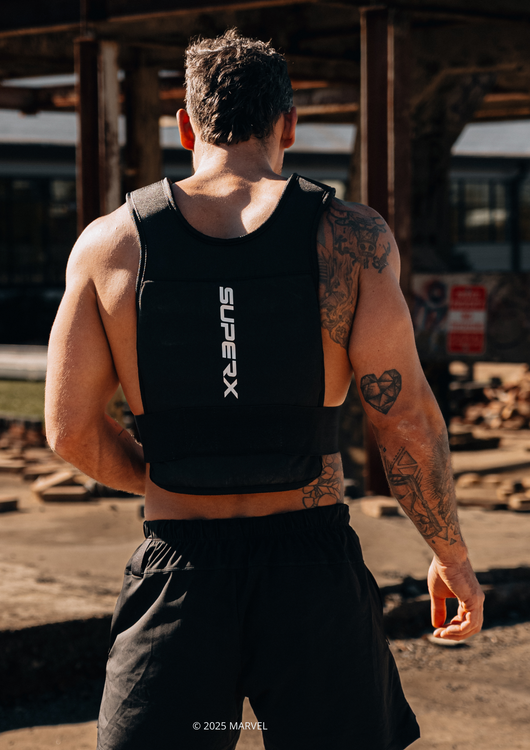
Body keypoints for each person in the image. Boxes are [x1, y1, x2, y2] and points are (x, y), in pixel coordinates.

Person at [45, 28, 484, 750]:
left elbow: (70, 431)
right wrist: (451, 555)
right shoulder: (351, 237)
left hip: (179, 567)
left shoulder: (109, 245)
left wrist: (168, 474)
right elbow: (404, 415)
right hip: (311, 567)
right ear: (289, 125)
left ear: (185, 126)